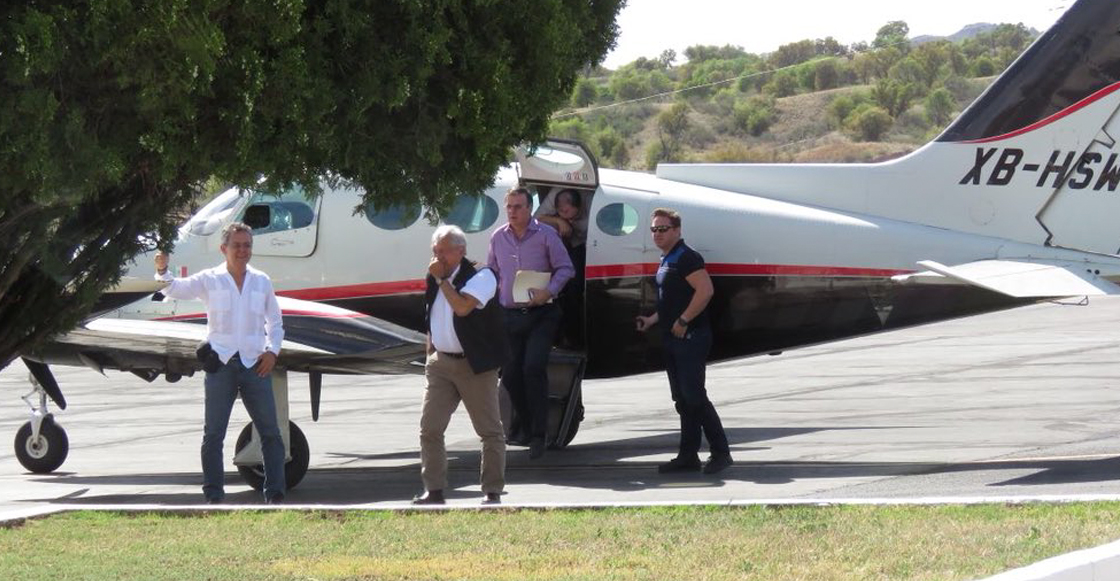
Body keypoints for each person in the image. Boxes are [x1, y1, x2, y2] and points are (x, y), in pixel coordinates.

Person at [154, 222, 287, 503]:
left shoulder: (261, 280)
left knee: (271, 433)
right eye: (237, 245)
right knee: (213, 435)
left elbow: (275, 322)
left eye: (247, 245)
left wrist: (272, 352)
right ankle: (214, 496)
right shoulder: (210, 279)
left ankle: (275, 495)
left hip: (254, 365)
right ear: (223, 248)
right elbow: (174, 289)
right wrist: (163, 270)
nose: (242, 251)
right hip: (221, 366)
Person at [413, 225, 510, 506]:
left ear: (461, 250)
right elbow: (432, 314)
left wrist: (443, 280)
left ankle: (492, 492)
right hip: (441, 362)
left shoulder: (483, 275)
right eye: (435, 251)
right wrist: (430, 351)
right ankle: (434, 490)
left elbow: (463, 307)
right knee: (430, 428)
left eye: (443, 251)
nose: (437, 257)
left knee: (489, 430)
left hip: (474, 364)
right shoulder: (435, 276)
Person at [635, 208, 733, 475]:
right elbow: (671, 300)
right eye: (654, 230)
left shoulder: (686, 257)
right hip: (672, 338)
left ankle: (721, 452)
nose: (657, 234)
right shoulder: (667, 259)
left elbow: (706, 290)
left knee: (695, 396)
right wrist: (654, 320)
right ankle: (688, 455)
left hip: (690, 337)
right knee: (682, 399)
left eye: (663, 229)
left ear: (677, 230)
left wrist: (684, 321)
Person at [487, 186, 574, 459]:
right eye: (509, 207)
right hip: (510, 316)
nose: (512, 212)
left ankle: (539, 434)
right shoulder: (498, 238)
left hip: (542, 314)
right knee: (510, 375)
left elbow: (566, 268)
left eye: (518, 207)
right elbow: (492, 272)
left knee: (533, 367)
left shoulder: (547, 235)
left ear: (529, 209)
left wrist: (549, 291)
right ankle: (525, 424)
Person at [534, 188, 588, 348]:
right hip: (562, 245)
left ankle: (573, 337)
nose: (564, 214)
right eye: (560, 211)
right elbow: (536, 218)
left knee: (574, 288)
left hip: (581, 245)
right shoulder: (554, 196)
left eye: (567, 211)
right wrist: (559, 221)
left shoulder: (589, 205)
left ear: (578, 207)